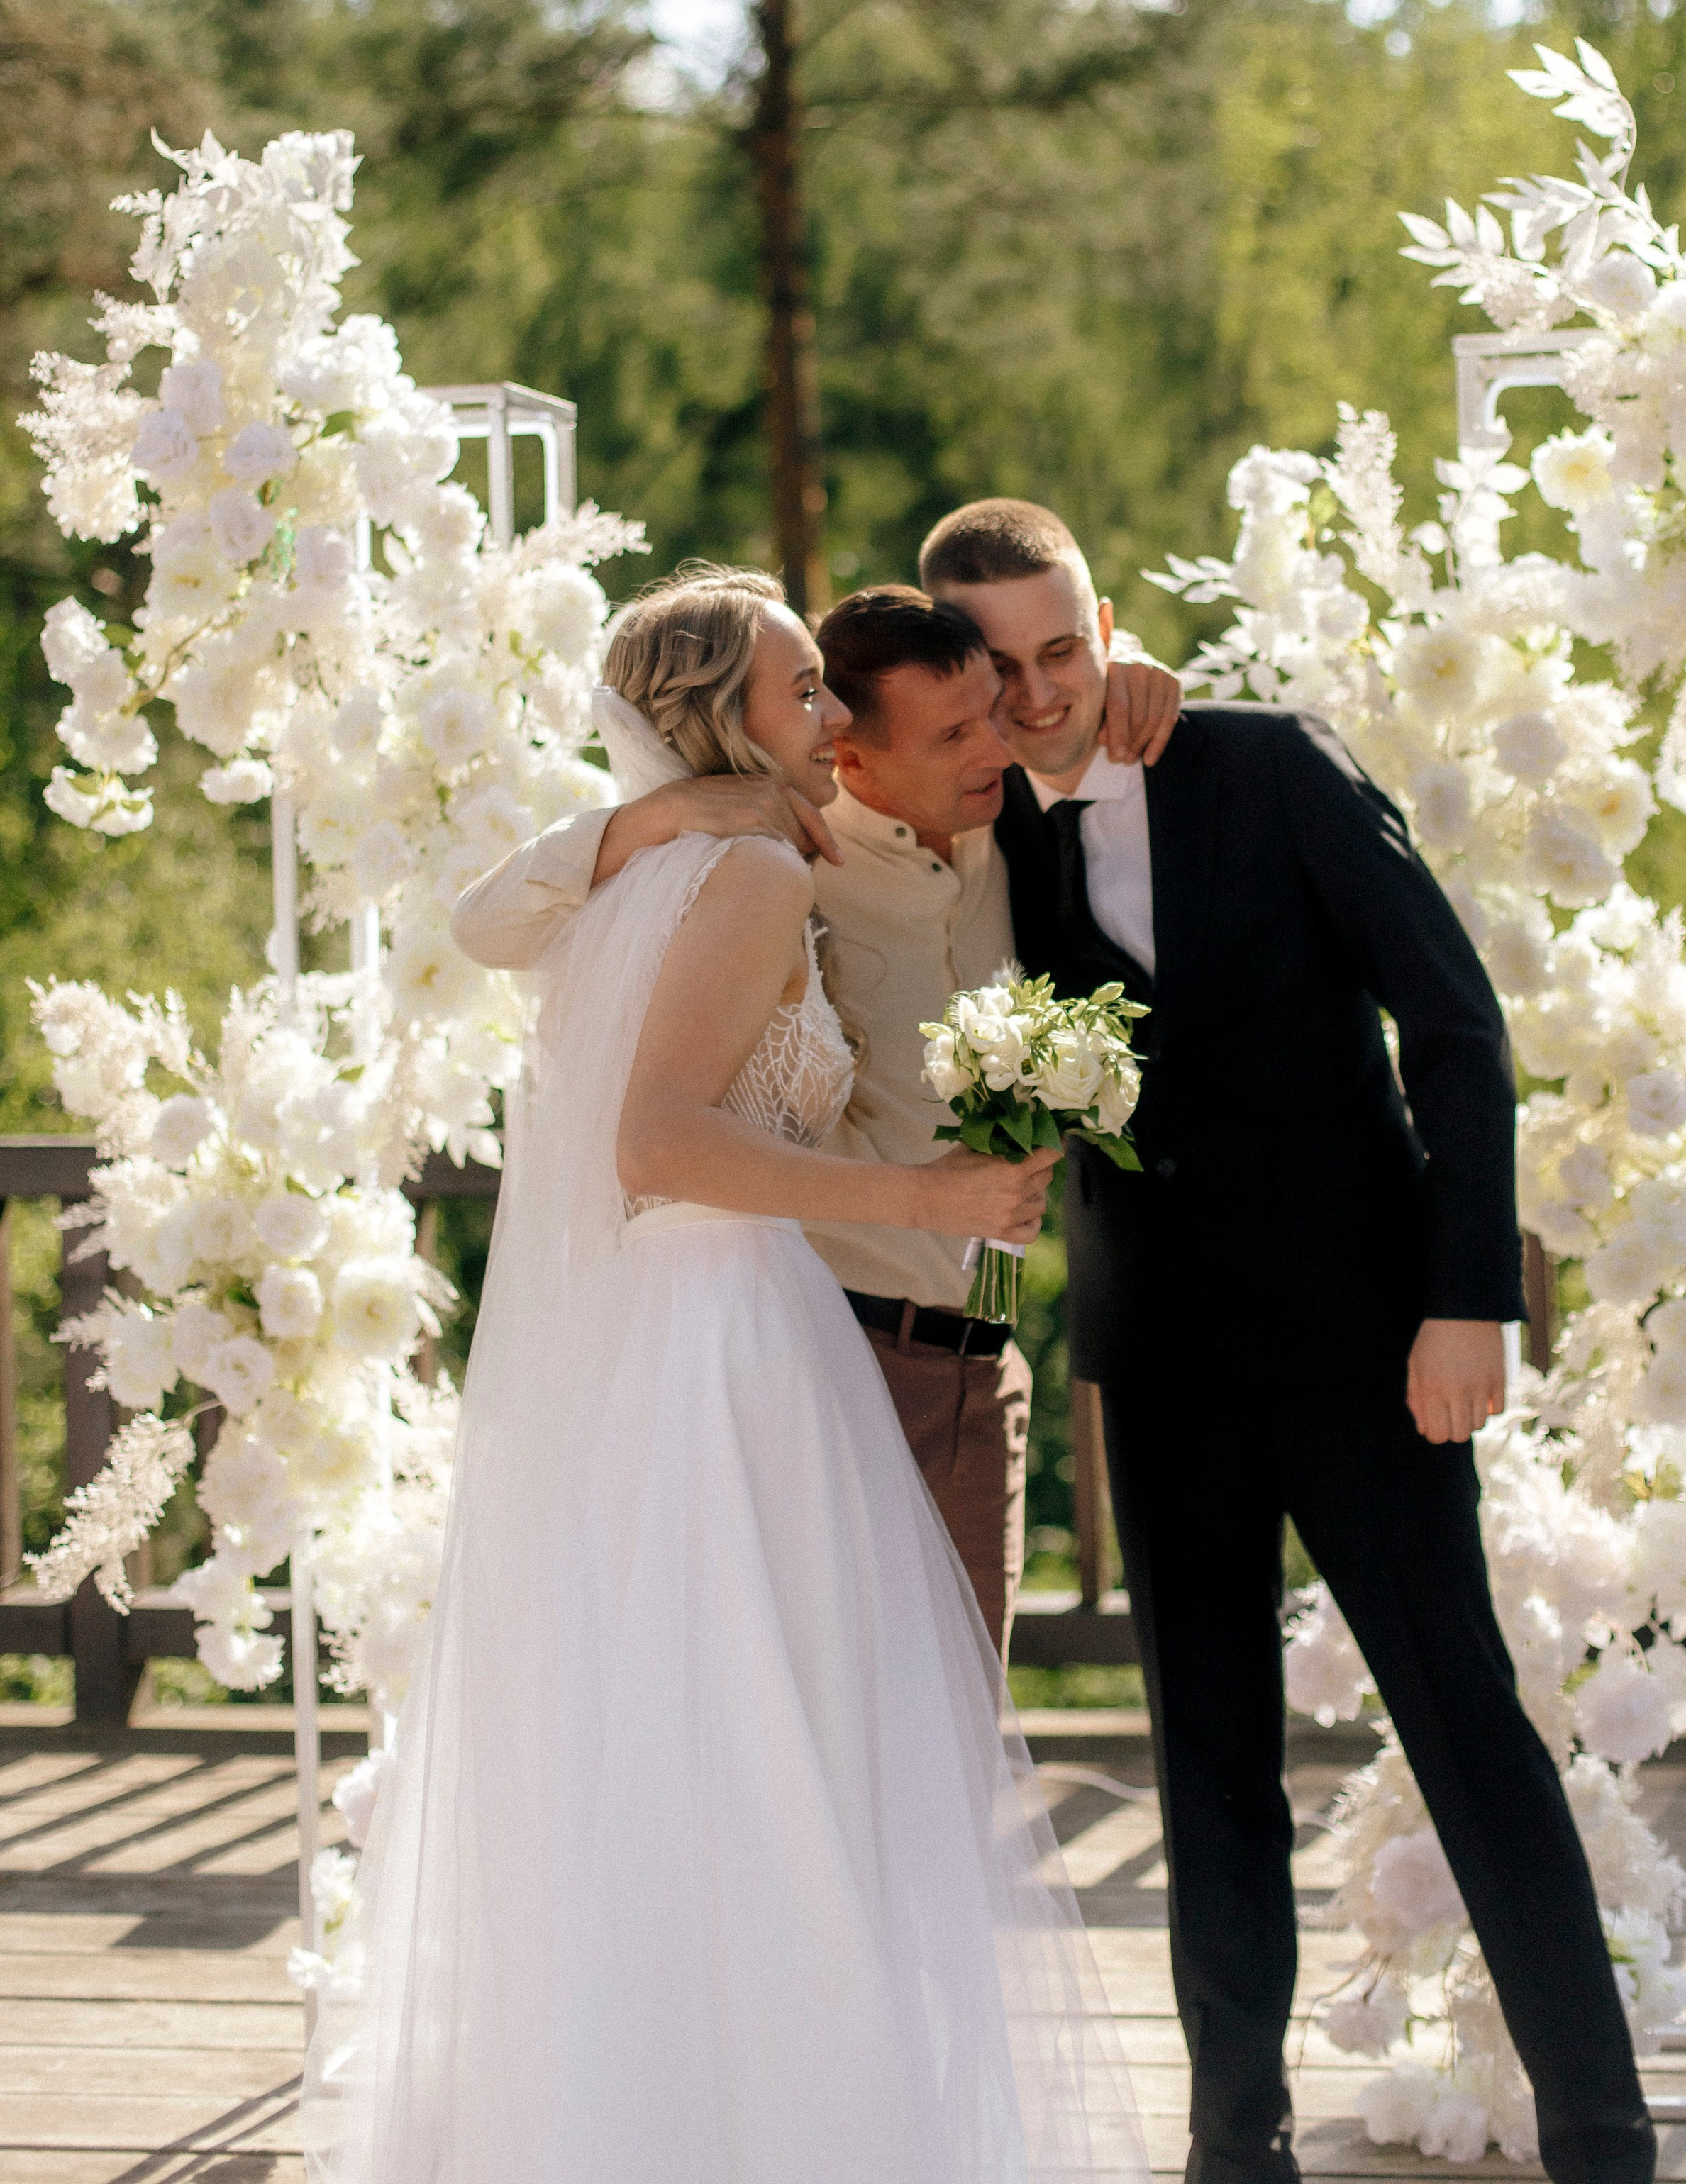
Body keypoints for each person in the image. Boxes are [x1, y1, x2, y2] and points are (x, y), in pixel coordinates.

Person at [304, 564, 1150, 2184]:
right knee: (784, 1771)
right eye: (801, 695)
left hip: (730, 1347)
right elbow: (653, 1139)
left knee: (749, 1766)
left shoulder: (738, 863)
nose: (831, 723)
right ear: (725, 732)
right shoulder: (743, 871)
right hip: (745, 1350)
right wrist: (921, 1196)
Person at [918, 498, 1655, 2184]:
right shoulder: (981, 845)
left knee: (1463, 1718)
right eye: (1004, 668)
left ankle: (1600, 2130)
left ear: (1102, 626)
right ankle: (1230, 2140)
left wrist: (1463, 1298)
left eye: (1064, 647)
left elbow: (1455, 1030)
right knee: (1207, 1763)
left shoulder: (1266, 764)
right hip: (1160, 1363)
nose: (1040, 693)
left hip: (1369, 1342)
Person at [451, 584, 1180, 1654]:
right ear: (856, 762)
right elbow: (489, 926)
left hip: (987, 1373)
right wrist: (658, 812)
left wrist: (1137, 671)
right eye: (955, 732)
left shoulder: (1012, 828)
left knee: (948, 1743)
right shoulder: (780, 858)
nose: (998, 743)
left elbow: (1063, 707)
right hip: (838, 1355)